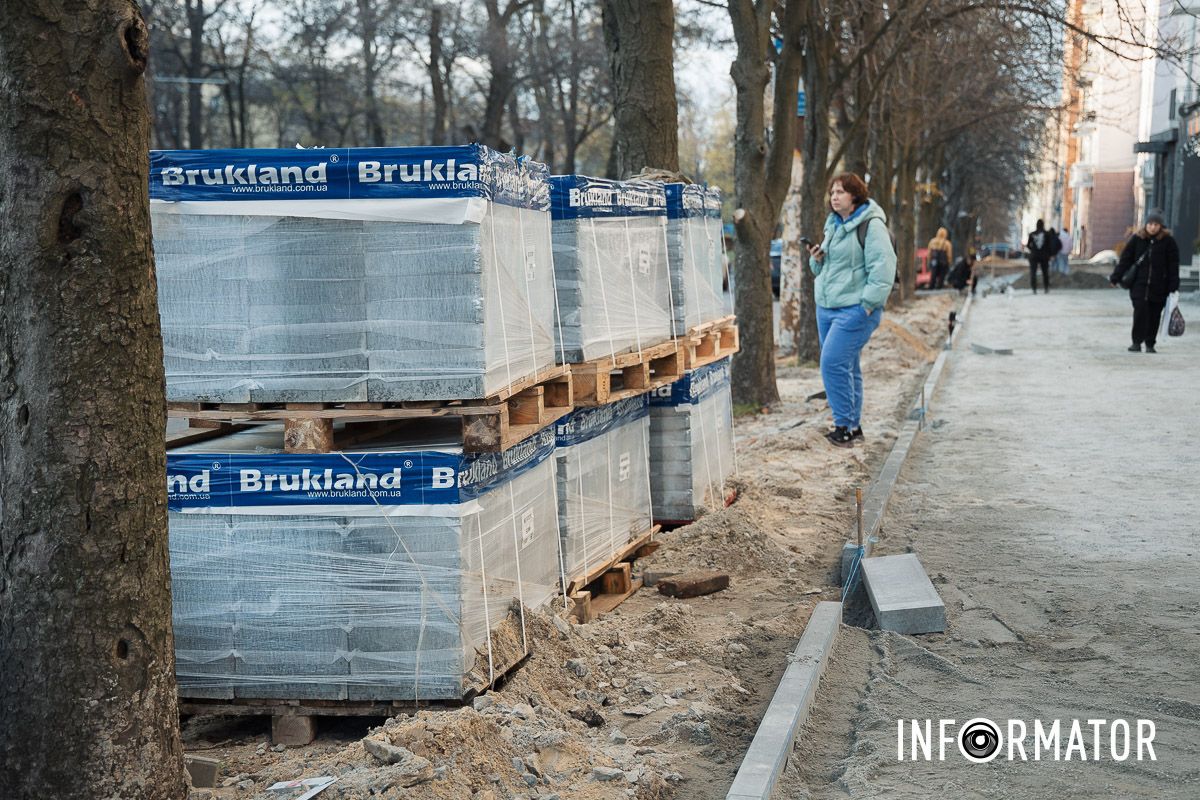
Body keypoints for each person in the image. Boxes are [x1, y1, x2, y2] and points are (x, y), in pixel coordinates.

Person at [805, 173, 898, 448]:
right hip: (827, 307)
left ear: (855, 196)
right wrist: (816, 259)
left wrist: (868, 305)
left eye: (841, 192)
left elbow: (883, 268)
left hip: (854, 310)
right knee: (846, 366)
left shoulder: (871, 225)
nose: (834, 197)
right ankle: (853, 426)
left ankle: (843, 424)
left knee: (832, 363)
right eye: (832, 192)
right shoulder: (833, 224)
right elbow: (824, 268)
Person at [1109, 209, 1180, 353]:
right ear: (1146, 224)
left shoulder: (1168, 242)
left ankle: (1150, 343)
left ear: (1161, 226)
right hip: (1139, 286)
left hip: (1159, 286)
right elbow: (1125, 260)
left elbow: (1173, 265)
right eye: (1150, 224)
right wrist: (1115, 277)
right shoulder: (1137, 239)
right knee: (1140, 313)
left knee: (1154, 315)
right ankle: (1136, 342)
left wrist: (1173, 284)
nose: (1152, 227)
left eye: (1156, 224)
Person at [1026, 219, 1051, 293]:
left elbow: (1028, 245)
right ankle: (1046, 288)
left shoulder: (1032, 234)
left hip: (1034, 255)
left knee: (1033, 272)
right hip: (1044, 255)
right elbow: (1049, 246)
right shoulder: (1047, 234)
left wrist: (1033, 250)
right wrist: (1048, 253)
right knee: (1045, 272)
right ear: (1043, 225)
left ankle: (1034, 289)